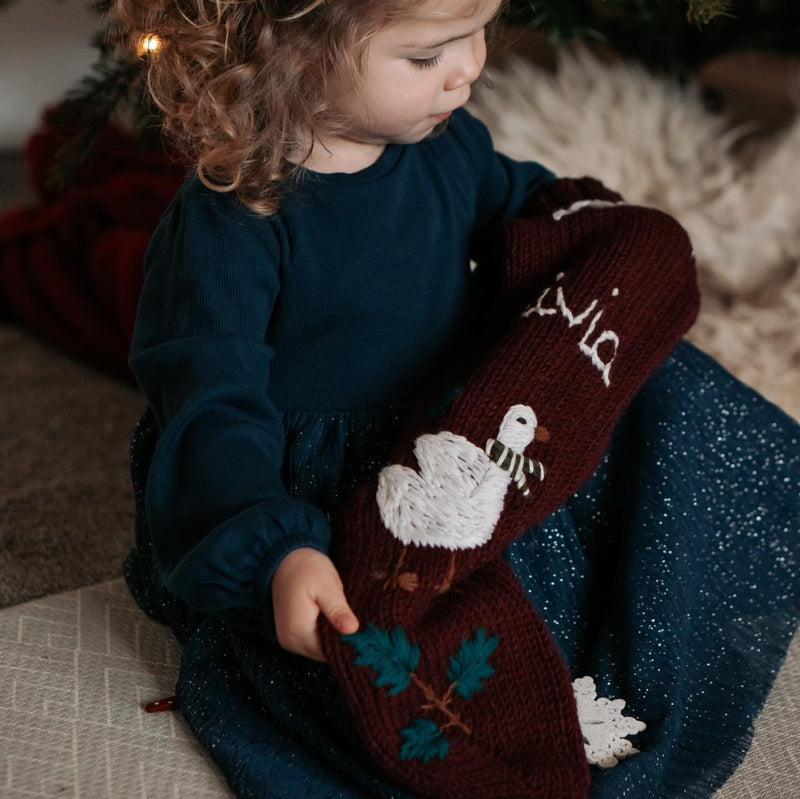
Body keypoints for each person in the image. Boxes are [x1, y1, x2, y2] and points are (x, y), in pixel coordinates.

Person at [116, 0, 799, 797]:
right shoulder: (229, 221)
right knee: (372, 676)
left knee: (657, 428)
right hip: (311, 483)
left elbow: (527, 204)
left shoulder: (447, 145)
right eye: (427, 55)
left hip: (455, 435)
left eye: (479, 30)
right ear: (290, 55)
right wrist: (275, 553)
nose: (471, 65)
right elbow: (211, 413)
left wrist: (606, 234)